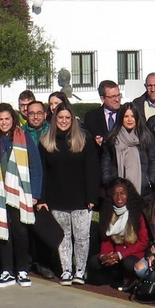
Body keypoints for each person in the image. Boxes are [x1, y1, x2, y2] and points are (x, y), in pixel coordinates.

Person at [0, 104, 43, 287]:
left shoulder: (24, 137)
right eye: (0, 119)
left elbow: (36, 166)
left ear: (13, 119)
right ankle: (7, 271)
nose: (4, 122)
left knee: (20, 231)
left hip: (20, 191)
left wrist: (35, 193)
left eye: (7, 119)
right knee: (1, 230)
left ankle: (22, 270)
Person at [39, 106, 99, 285]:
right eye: (60, 118)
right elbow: (43, 173)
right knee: (63, 236)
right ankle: (66, 270)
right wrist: (42, 199)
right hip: (56, 198)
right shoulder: (45, 141)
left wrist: (91, 197)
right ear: (54, 120)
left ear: (72, 120)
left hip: (81, 198)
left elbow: (92, 169)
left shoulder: (84, 139)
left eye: (67, 118)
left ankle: (80, 270)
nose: (64, 121)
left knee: (81, 236)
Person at [96, 179, 149, 286]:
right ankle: (114, 277)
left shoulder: (137, 213)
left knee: (128, 263)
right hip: (115, 254)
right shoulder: (108, 212)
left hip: (133, 254)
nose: (119, 197)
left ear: (128, 194)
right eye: (115, 194)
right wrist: (105, 256)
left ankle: (133, 280)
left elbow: (143, 242)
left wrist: (121, 255)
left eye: (122, 193)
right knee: (96, 262)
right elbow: (106, 239)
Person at [102, 104, 155, 198]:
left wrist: (150, 181)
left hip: (143, 191)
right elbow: (106, 161)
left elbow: (154, 160)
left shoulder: (145, 136)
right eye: (126, 116)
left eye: (133, 116)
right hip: (118, 188)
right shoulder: (112, 138)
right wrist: (108, 180)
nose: (129, 120)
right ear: (121, 118)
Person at [83, 79, 122, 147]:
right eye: (113, 97)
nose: (117, 99)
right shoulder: (91, 117)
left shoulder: (126, 113)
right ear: (102, 99)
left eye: (118, 95)